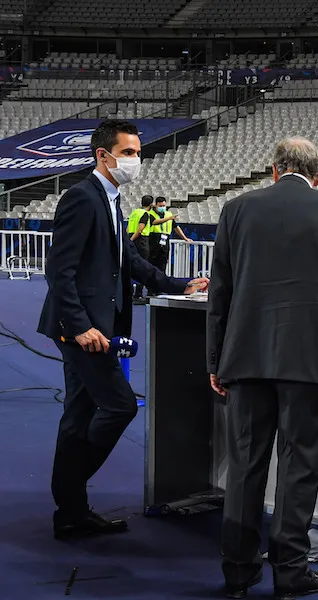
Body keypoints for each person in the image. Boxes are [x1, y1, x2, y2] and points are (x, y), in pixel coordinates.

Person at [207, 137, 318, 600]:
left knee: (244, 463)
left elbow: (219, 292)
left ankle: (237, 571)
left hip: (246, 356)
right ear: (317, 175)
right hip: (312, 357)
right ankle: (290, 571)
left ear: (274, 170)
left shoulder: (236, 210)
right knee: (299, 463)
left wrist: (215, 361)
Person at [36, 119, 208, 540]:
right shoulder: (82, 198)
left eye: (137, 153)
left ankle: (71, 513)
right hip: (84, 331)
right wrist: (78, 328)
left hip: (96, 328)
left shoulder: (111, 201)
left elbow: (130, 261)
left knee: (78, 416)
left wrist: (178, 284)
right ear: (103, 155)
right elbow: (59, 270)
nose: (135, 160)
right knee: (120, 406)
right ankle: (69, 488)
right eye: (129, 153)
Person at [148, 196, 191, 277]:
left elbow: (175, 227)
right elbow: (154, 222)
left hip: (165, 241)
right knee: (152, 264)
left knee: (163, 264)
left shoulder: (168, 214)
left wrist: (185, 238)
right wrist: (169, 218)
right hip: (153, 240)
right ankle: (151, 288)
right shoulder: (150, 214)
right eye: (160, 206)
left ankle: (160, 285)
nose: (162, 208)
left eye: (164, 206)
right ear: (155, 205)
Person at [127, 194, 154, 301]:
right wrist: (131, 240)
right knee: (142, 267)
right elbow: (140, 229)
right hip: (140, 242)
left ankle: (130, 292)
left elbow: (128, 228)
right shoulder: (145, 214)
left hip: (131, 239)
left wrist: (128, 240)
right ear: (151, 204)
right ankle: (138, 294)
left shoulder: (134, 212)